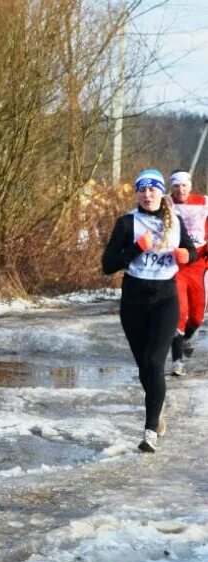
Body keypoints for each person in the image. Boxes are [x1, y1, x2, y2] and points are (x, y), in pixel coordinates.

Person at [101, 168, 196, 452]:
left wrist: (186, 255)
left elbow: (190, 251)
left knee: (155, 362)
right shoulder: (127, 223)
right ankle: (158, 404)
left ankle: (150, 431)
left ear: (161, 192)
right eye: (141, 189)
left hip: (165, 300)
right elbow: (107, 265)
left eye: (152, 188)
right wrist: (135, 249)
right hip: (133, 302)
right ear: (137, 194)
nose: (147, 194)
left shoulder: (175, 221)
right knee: (145, 366)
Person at [167, 170, 207, 375]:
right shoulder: (165, 204)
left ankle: (189, 336)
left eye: (184, 185)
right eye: (176, 185)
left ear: (190, 186)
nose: (180, 189)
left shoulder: (203, 203)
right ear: (170, 187)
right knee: (180, 310)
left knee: (198, 315)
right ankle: (177, 362)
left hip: (199, 264)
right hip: (176, 265)